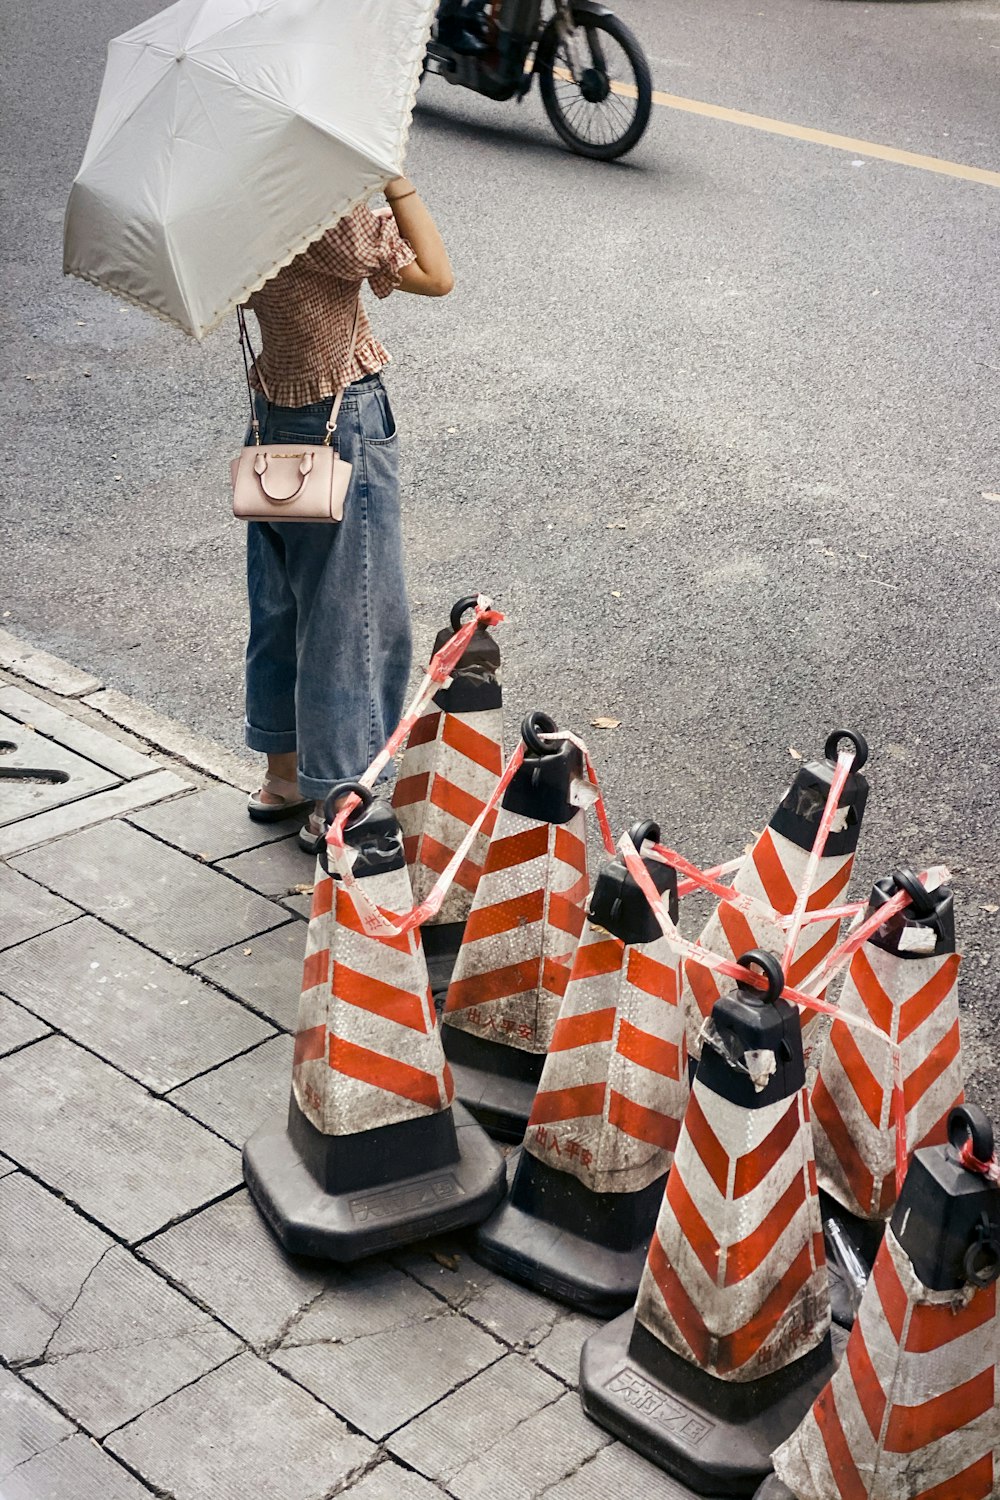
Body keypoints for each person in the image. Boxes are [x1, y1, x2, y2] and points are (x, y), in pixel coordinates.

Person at [240, 178, 453, 852]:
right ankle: (339, 798)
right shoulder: (328, 218)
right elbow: (437, 276)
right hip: (339, 421)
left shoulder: (235, 207)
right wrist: (399, 184)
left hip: (272, 415)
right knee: (352, 616)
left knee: (282, 606)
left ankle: (281, 777)